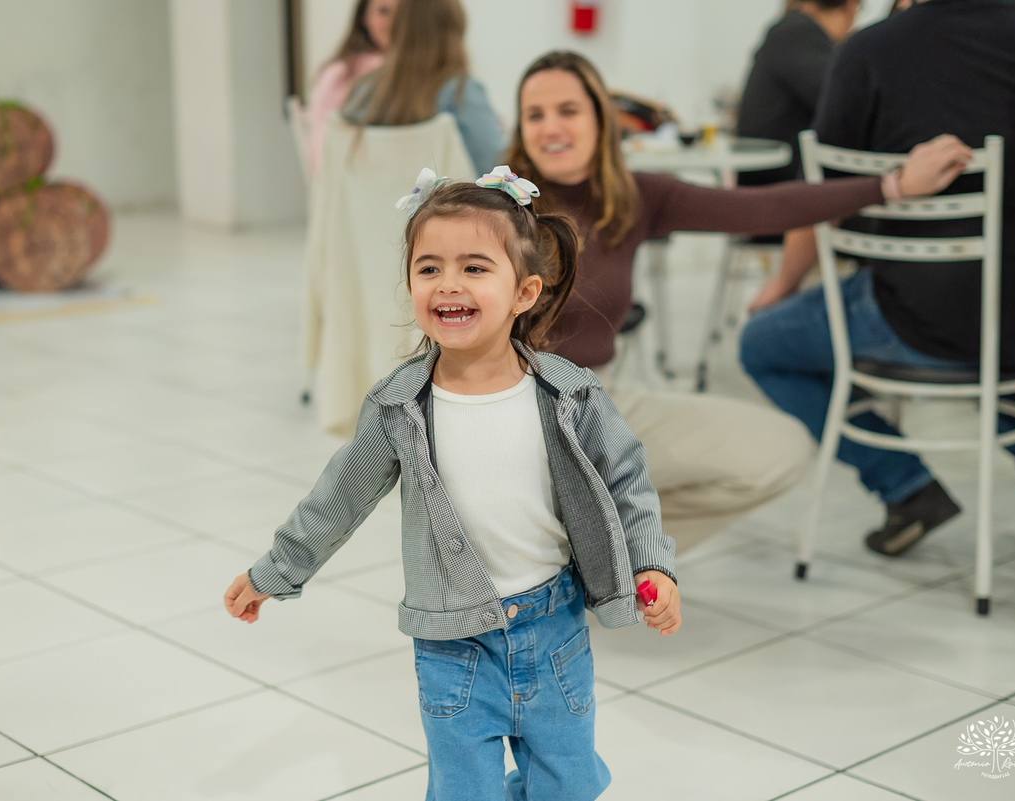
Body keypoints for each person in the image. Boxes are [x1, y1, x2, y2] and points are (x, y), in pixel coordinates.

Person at [225, 168, 680, 800]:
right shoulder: (399, 407)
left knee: (568, 786)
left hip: (555, 632)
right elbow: (338, 499)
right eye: (429, 268)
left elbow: (628, 479)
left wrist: (654, 565)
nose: (448, 285)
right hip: (452, 646)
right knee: (465, 792)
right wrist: (273, 572)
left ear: (524, 292)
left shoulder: (568, 392)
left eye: (473, 267)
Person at [502, 50, 970, 554]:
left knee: (779, 451)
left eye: (568, 110)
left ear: (602, 119)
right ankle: (572, 549)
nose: (551, 127)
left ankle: (607, 558)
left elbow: (762, 208)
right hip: (519, 416)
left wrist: (891, 186)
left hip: (601, 403)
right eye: (536, 114)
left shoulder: (636, 197)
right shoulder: (501, 206)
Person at [740, 0, 1015, 555]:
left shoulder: (870, 49)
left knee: (761, 344)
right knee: (982, 331)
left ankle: (907, 488)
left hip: (933, 319)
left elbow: (822, 196)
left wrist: (781, 286)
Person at [341, 0, 505, 174]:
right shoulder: (461, 94)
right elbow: (496, 172)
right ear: (455, 28)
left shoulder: (361, 91)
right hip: (442, 201)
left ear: (398, 26)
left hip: (369, 201)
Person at [736, 0, 862, 187]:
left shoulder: (790, 31)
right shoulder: (798, 34)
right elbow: (843, 102)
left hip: (774, 178)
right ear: (851, 6)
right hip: (779, 184)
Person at [305, 0, 397, 173]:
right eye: (383, 12)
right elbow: (322, 148)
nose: (393, 21)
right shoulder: (341, 73)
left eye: (402, 13)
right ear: (364, 17)